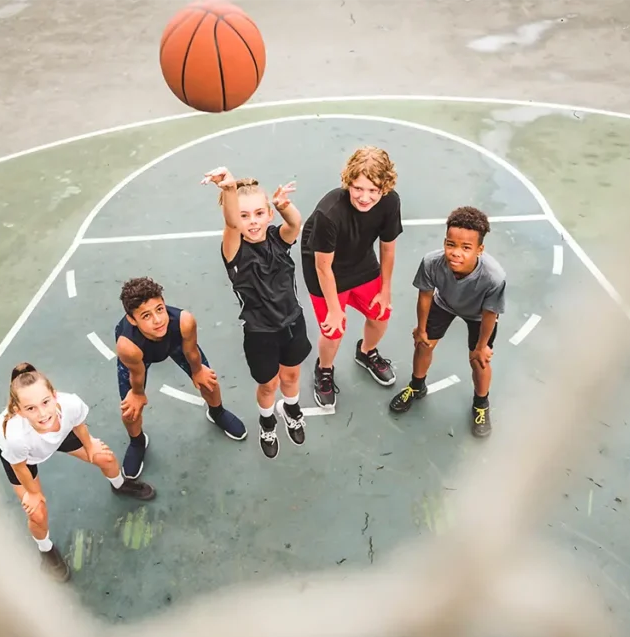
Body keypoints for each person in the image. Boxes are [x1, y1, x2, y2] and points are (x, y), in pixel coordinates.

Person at [0, 363, 156, 583]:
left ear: (54, 395)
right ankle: (46, 549)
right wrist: (33, 494)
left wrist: (89, 447)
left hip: (59, 436)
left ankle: (120, 485)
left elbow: (78, 424)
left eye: (45, 402)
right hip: (24, 457)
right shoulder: (14, 437)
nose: (42, 413)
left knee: (105, 457)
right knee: (37, 513)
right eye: (30, 408)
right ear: (18, 410)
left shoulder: (69, 404)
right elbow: (19, 466)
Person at [201, 166, 310, 459]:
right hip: (261, 333)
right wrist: (228, 189)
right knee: (268, 384)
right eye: (244, 215)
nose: (252, 221)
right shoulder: (234, 250)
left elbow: (295, 224)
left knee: (291, 376)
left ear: (269, 215)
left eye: (259, 213)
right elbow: (232, 225)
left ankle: (292, 408)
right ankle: (266, 421)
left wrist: (284, 206)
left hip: (293, 323)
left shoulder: (278, 238)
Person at [299, 145, 403, 409]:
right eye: (358, 188)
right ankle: (324, 370)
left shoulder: (390, 202)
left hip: (360, 260)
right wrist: (334, 309)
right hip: (324, 268)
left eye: (373, 190)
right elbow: (323, 267)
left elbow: (388, 247)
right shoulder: (330, 212)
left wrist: (386, 288)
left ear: (385, 188)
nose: (365, 197)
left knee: (380, 315)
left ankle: (366, 352)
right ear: (348, 182)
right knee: (333, 331)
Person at [388, 206, 506, 437]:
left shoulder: (494, 277)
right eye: (451, 244)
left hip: (479, 315)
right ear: (444, 242)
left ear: (480, 249)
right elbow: (425, 296)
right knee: (423, 345)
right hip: (445, 303)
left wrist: (482, 347)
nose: (456, 252)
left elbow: (491, 313)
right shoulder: (432, 262)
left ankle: (481, 404)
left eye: (466, 247)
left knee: (479, 361)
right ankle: (416, 386)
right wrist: (421, 330)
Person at [114, 276, 247, 477]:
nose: (158, 320)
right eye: (146, 316)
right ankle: (137, 441)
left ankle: (217, 412)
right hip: (140, 356)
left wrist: (197, 371)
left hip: (175, 343)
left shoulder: (184, 321)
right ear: (132, 319)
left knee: (208, 381)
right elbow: (137, 373)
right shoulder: (127, 346)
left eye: (159, 309)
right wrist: (138, 394)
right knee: (130, 410)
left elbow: (191, 352)